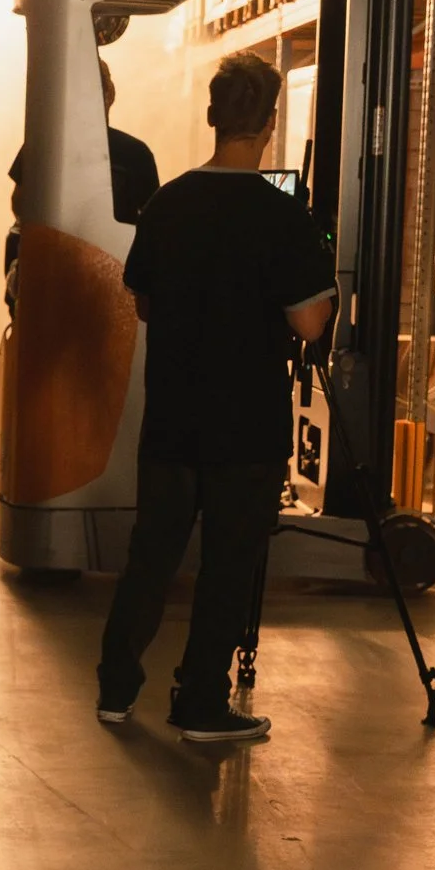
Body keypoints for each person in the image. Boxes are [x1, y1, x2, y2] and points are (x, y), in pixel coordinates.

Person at [93, 52, 335, 743]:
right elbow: (310, 323)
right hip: (246, 427)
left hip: (172, 418)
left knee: (153, 553)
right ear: (268, 123)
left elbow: (142, 303)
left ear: (211, 116)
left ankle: (115, 686)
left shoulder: (166, 204)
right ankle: (200, 701)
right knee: (228, 562)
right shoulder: (282, 216)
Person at [4, 58, 161, 292]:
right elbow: (150, 224)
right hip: (113, 273)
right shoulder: (134, 152)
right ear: (110, 95)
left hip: (61, 271)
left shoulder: (42, 144)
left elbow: (20, 203)